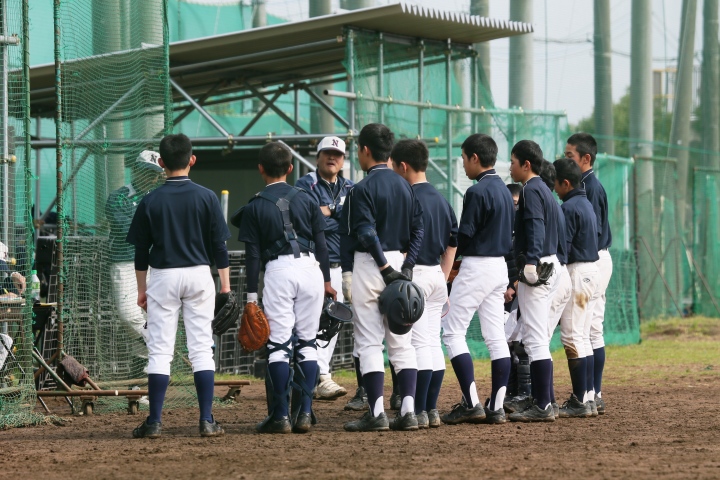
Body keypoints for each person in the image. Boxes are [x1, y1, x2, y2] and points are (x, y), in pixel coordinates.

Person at [127, 134, 230, 439]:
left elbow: (140, 252)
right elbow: (220, 247)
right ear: (192, 160)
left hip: (164, 276)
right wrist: (225, 287)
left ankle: (155, 422)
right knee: (201, 349)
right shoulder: (207, 197)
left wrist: (141, 290)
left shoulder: (150, 200)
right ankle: (207, 420)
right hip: (199, 275)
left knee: (160, 350)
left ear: (161, 163)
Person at [238, 142, 336, 434]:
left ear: (260, 169)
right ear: (291, 168)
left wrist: (251, 298)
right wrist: (327, 281)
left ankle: (280, 417)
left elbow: (252, 256)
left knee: (279, 346)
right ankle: (304, 414)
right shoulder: (307, 198)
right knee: (307, 343)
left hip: (279, 271)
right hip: (311, 269)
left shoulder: (254, 205)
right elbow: (322, 245)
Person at [340, 123, 424, 432]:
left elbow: (365, 232)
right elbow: (419, 229)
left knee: (369, 341)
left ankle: (376, 414)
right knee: (402, 343)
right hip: (400, 261)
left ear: (365, 150)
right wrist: (407, 266)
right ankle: (409, 413)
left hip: (371, 264)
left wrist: (384, 267)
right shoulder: (405, 185)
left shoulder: (361, 189)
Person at [439, 134, 515, 425]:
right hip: (499, 268)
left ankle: (471, 404)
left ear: (474, 158)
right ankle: (496, 406)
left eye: (463, 158)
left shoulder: (477, 191)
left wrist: (450, 261)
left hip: (477, 266)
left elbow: (465, 235)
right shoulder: (505, 191)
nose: (463, 163)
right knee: (496, 337)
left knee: (452, 331)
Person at [390, 139, 458, 429]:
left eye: (395, 167)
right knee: (431, 343)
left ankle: (416, 410)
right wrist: (443, 276)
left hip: (414, 274)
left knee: (417, 345)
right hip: (435, 275)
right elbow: (453, 242)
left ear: (404, 166)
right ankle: (430, 409)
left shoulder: (407, 197)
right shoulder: (442, 199)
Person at [295, 136, 353, 402]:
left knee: (333, 323)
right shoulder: (305, 184)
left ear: (343, 160)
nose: (332, 158)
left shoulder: (350, 186)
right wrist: (337, 212)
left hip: (342, 268)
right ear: (317, 157)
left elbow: (353, 223)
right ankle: (320, 377)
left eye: (337, 154)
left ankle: (321, 377)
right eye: (327, 153)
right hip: (314, 265)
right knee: (311, 322)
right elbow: (308, 221)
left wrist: (329, 213)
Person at [507, 140, 561, 423]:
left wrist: (531, 261)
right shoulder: (545, 190)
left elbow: (536, 226)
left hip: (539, 267)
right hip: (551, 263)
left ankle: (543, 405)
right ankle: (546, 401)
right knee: (538, 338)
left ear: (526, 164)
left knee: (534, 339)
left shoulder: (530, 189)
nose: (510, 167)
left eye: (513, 162)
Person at [565, 133, 613, 415]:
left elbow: (588, 233)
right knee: (591, 328)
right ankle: (593, 393)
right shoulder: (587, 184)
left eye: (570, 155)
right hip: (596, 260)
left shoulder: (588, 187)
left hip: (592, 261)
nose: (566, 159)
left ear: (586, 158)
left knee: (585, 329)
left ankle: (589, 394)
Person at [105, 151, 165, 361]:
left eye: (155, 173)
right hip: (124, 262)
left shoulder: (161, 196)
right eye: (148, 172)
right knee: (129, 314)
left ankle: (144, 369)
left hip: (155, 263)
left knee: (153, 315)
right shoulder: (118, 197)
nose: (152, 177)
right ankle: (159, 346)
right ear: (137, 171)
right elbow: (128, 230)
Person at [553, 158, 600, 418]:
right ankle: (588, 397)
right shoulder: (585, 203)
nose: (554, 188)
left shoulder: (569, 207)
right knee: (582, 335)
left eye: (556, 183)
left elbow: (565, 247)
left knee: (572, 336)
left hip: (578, 273)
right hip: (591, 272)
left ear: (566, 183)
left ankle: (580, 400)